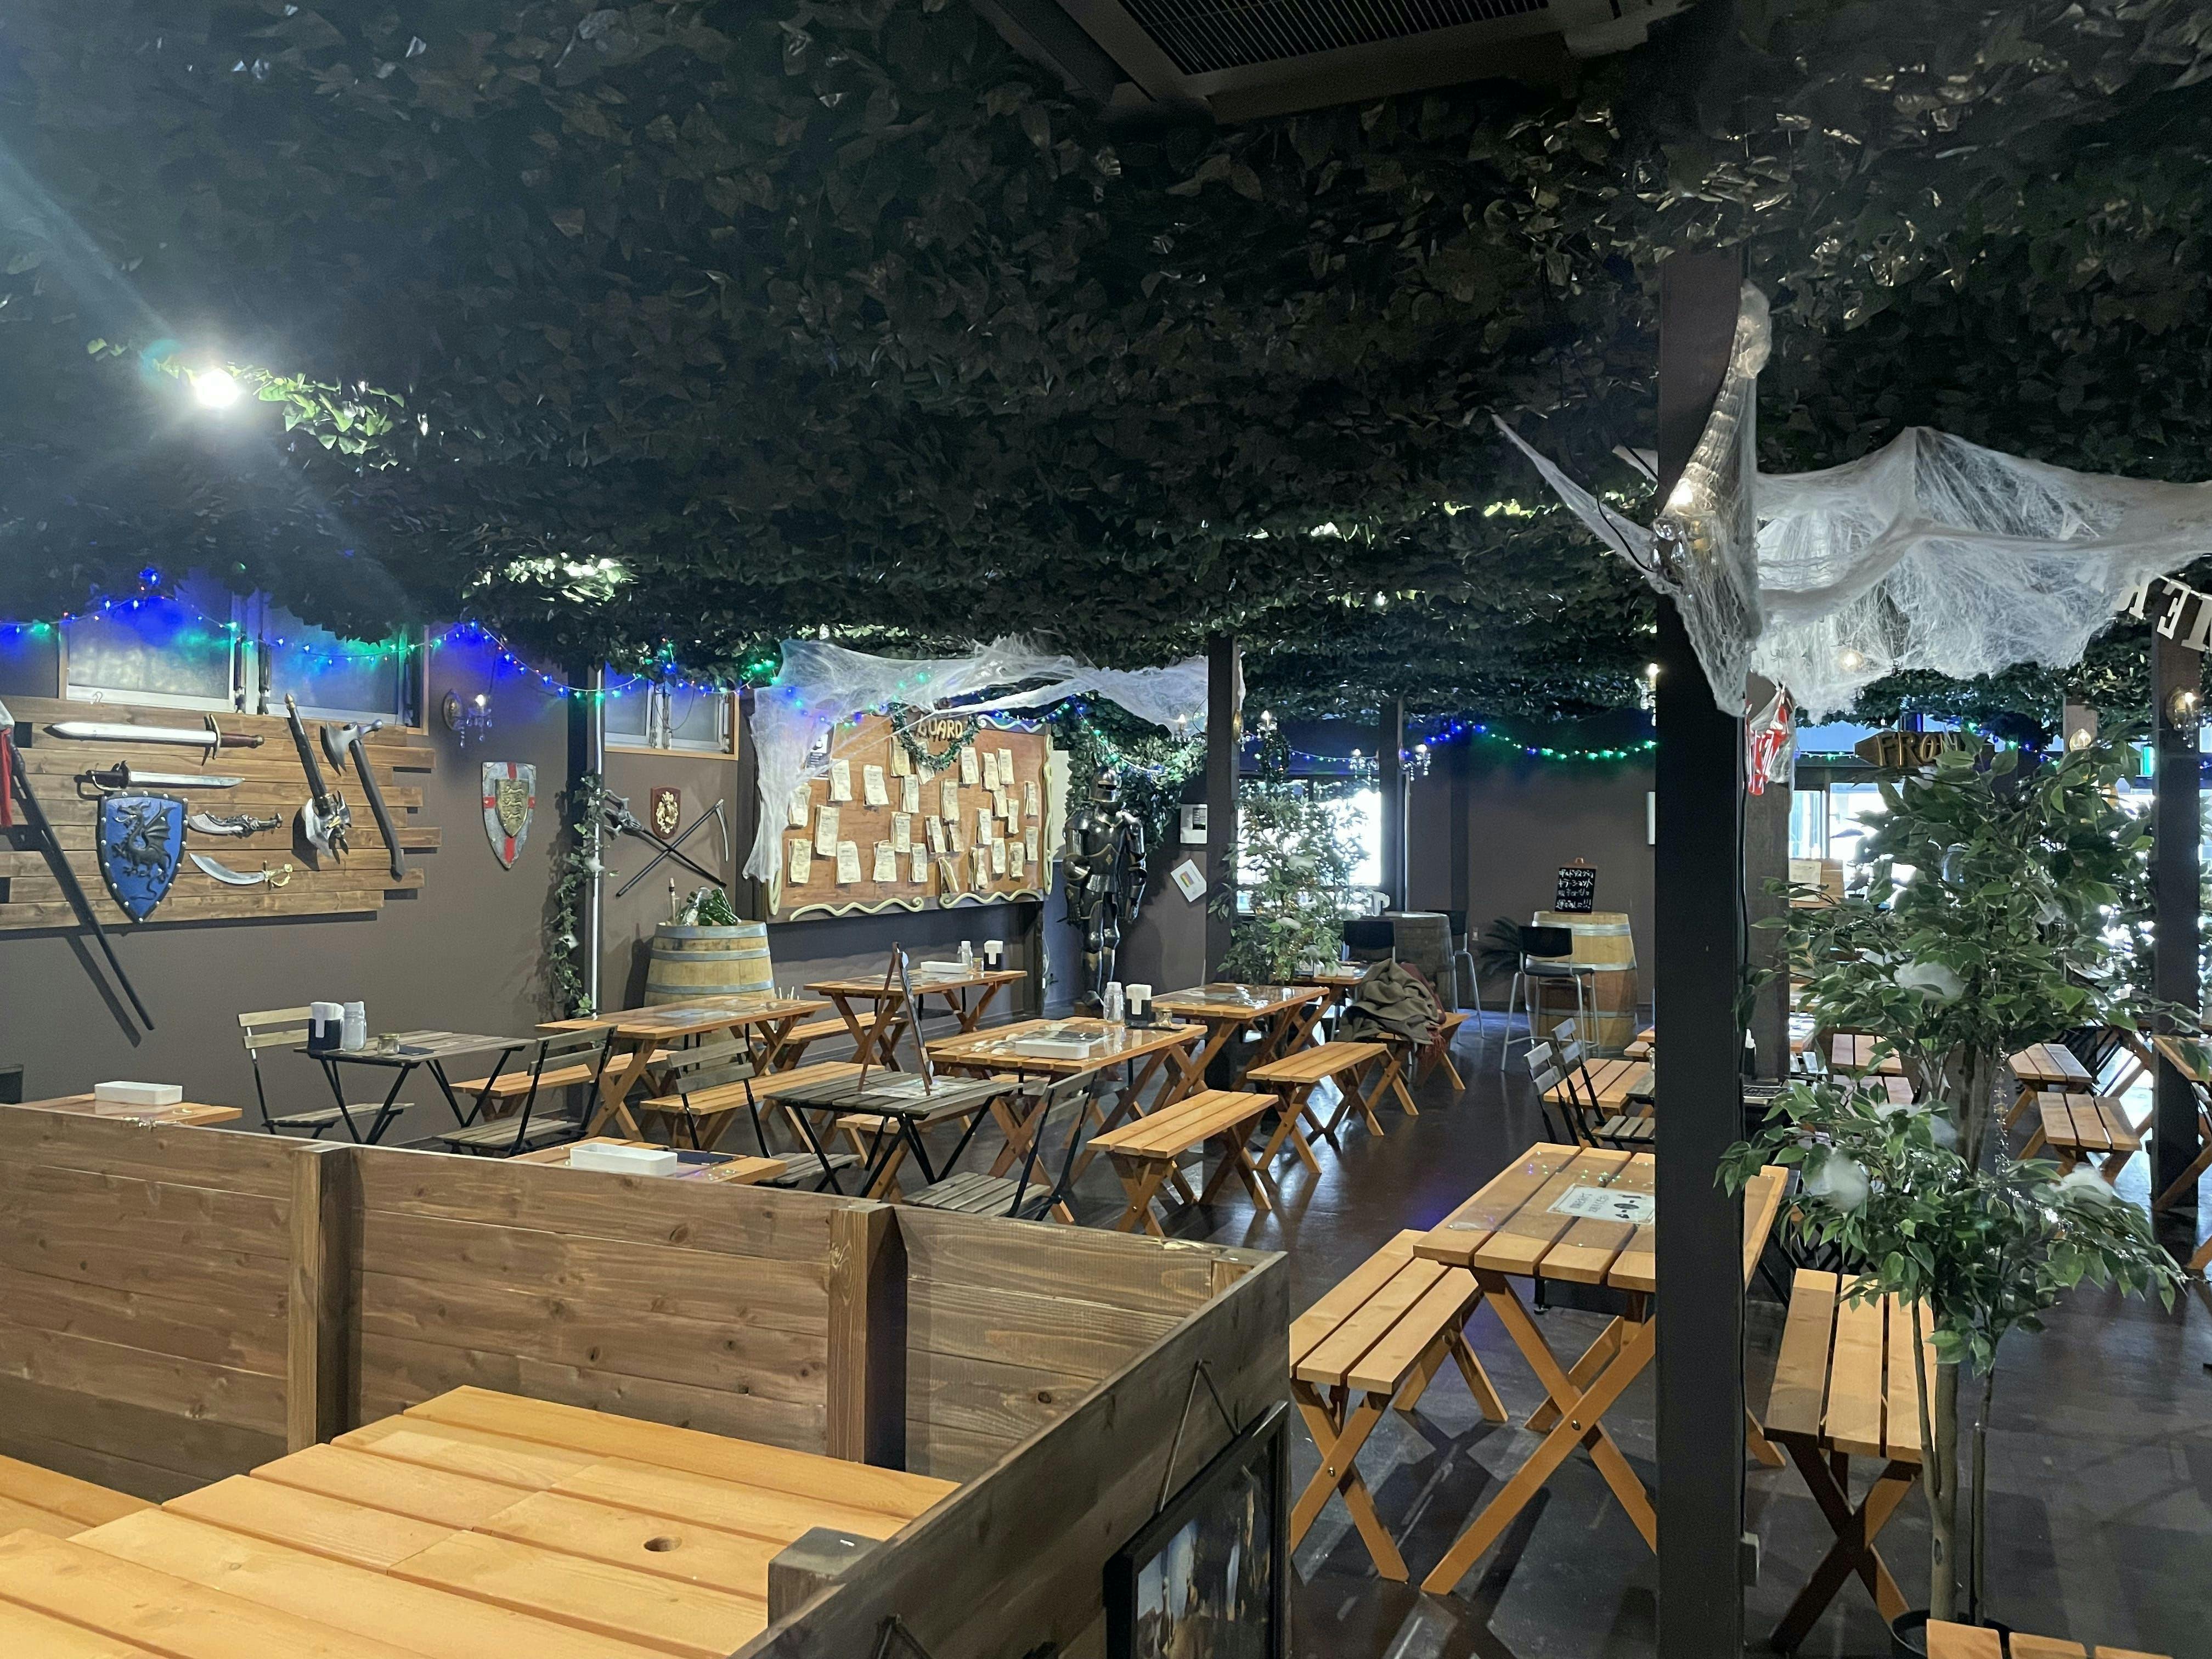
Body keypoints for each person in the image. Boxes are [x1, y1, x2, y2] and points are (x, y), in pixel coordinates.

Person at [1061, 774, 1148, 1010]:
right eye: (1104, 785)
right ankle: (1091, 991)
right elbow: (1073, 864)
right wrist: (1073, 901)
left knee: (1112, 937)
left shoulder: (1129, 822)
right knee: (1093, 939)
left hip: (1113, 884)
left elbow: (1138, 866)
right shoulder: (1082, 820)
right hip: (1091, 885)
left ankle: (1107, 990)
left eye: (1112, 786)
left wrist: (1133, 900)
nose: (1108, 791)